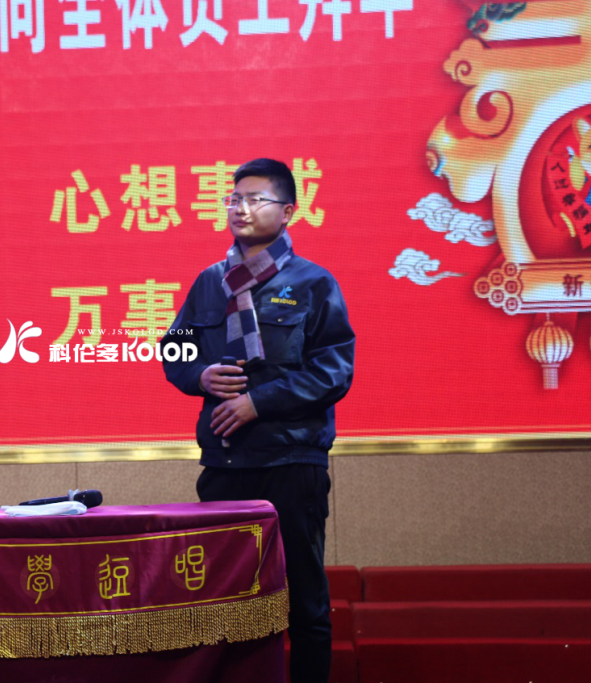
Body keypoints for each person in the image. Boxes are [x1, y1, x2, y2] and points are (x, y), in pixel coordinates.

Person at [161, 158, 354, 683]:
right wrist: (201, 375)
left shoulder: (313, 283)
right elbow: (174, 352)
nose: (239, 208)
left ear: (287, 211)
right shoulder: (210, 282)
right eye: (234, 199)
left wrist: (258, 403)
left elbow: (334, 371)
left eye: (254, 199)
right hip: (225, 465)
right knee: (223, 603)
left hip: (291, 462)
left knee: (304, 602)